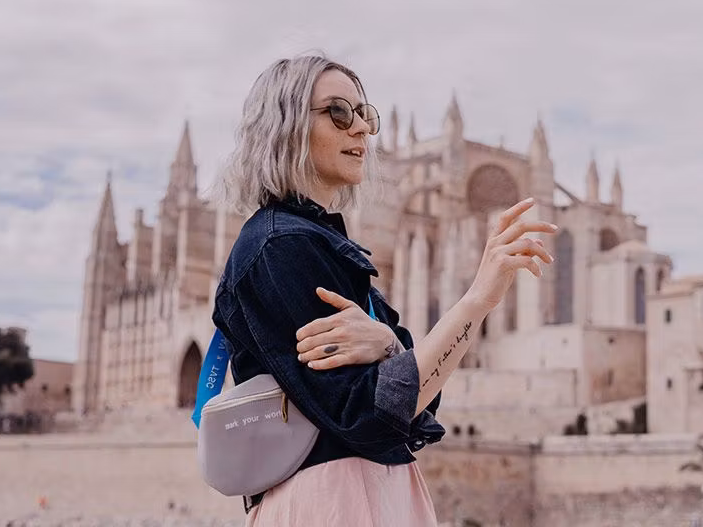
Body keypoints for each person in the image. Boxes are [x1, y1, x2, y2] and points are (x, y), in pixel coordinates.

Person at [211, 55, 557, 526]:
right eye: (338, 112)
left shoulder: (329, 246)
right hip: (332, 500)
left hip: (375, 493)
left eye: (365, 114)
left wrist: (389, 343)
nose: (361, 130)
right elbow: (371, 415)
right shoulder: (282, 247)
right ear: (286, 125)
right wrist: (479, 298)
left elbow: (420, 395)